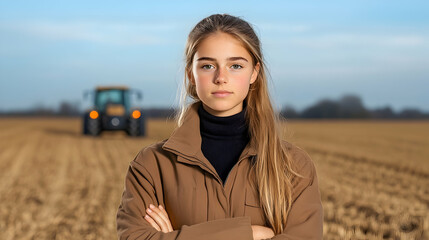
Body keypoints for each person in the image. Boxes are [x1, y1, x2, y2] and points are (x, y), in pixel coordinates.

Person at [116, 14, 323, 240]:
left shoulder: (294, 167)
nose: (221, 78)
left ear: (254, 72)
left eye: (235, 65)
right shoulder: (151, 166)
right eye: (207, 65)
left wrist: (175, 237)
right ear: (190, 74)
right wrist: (248, 234)